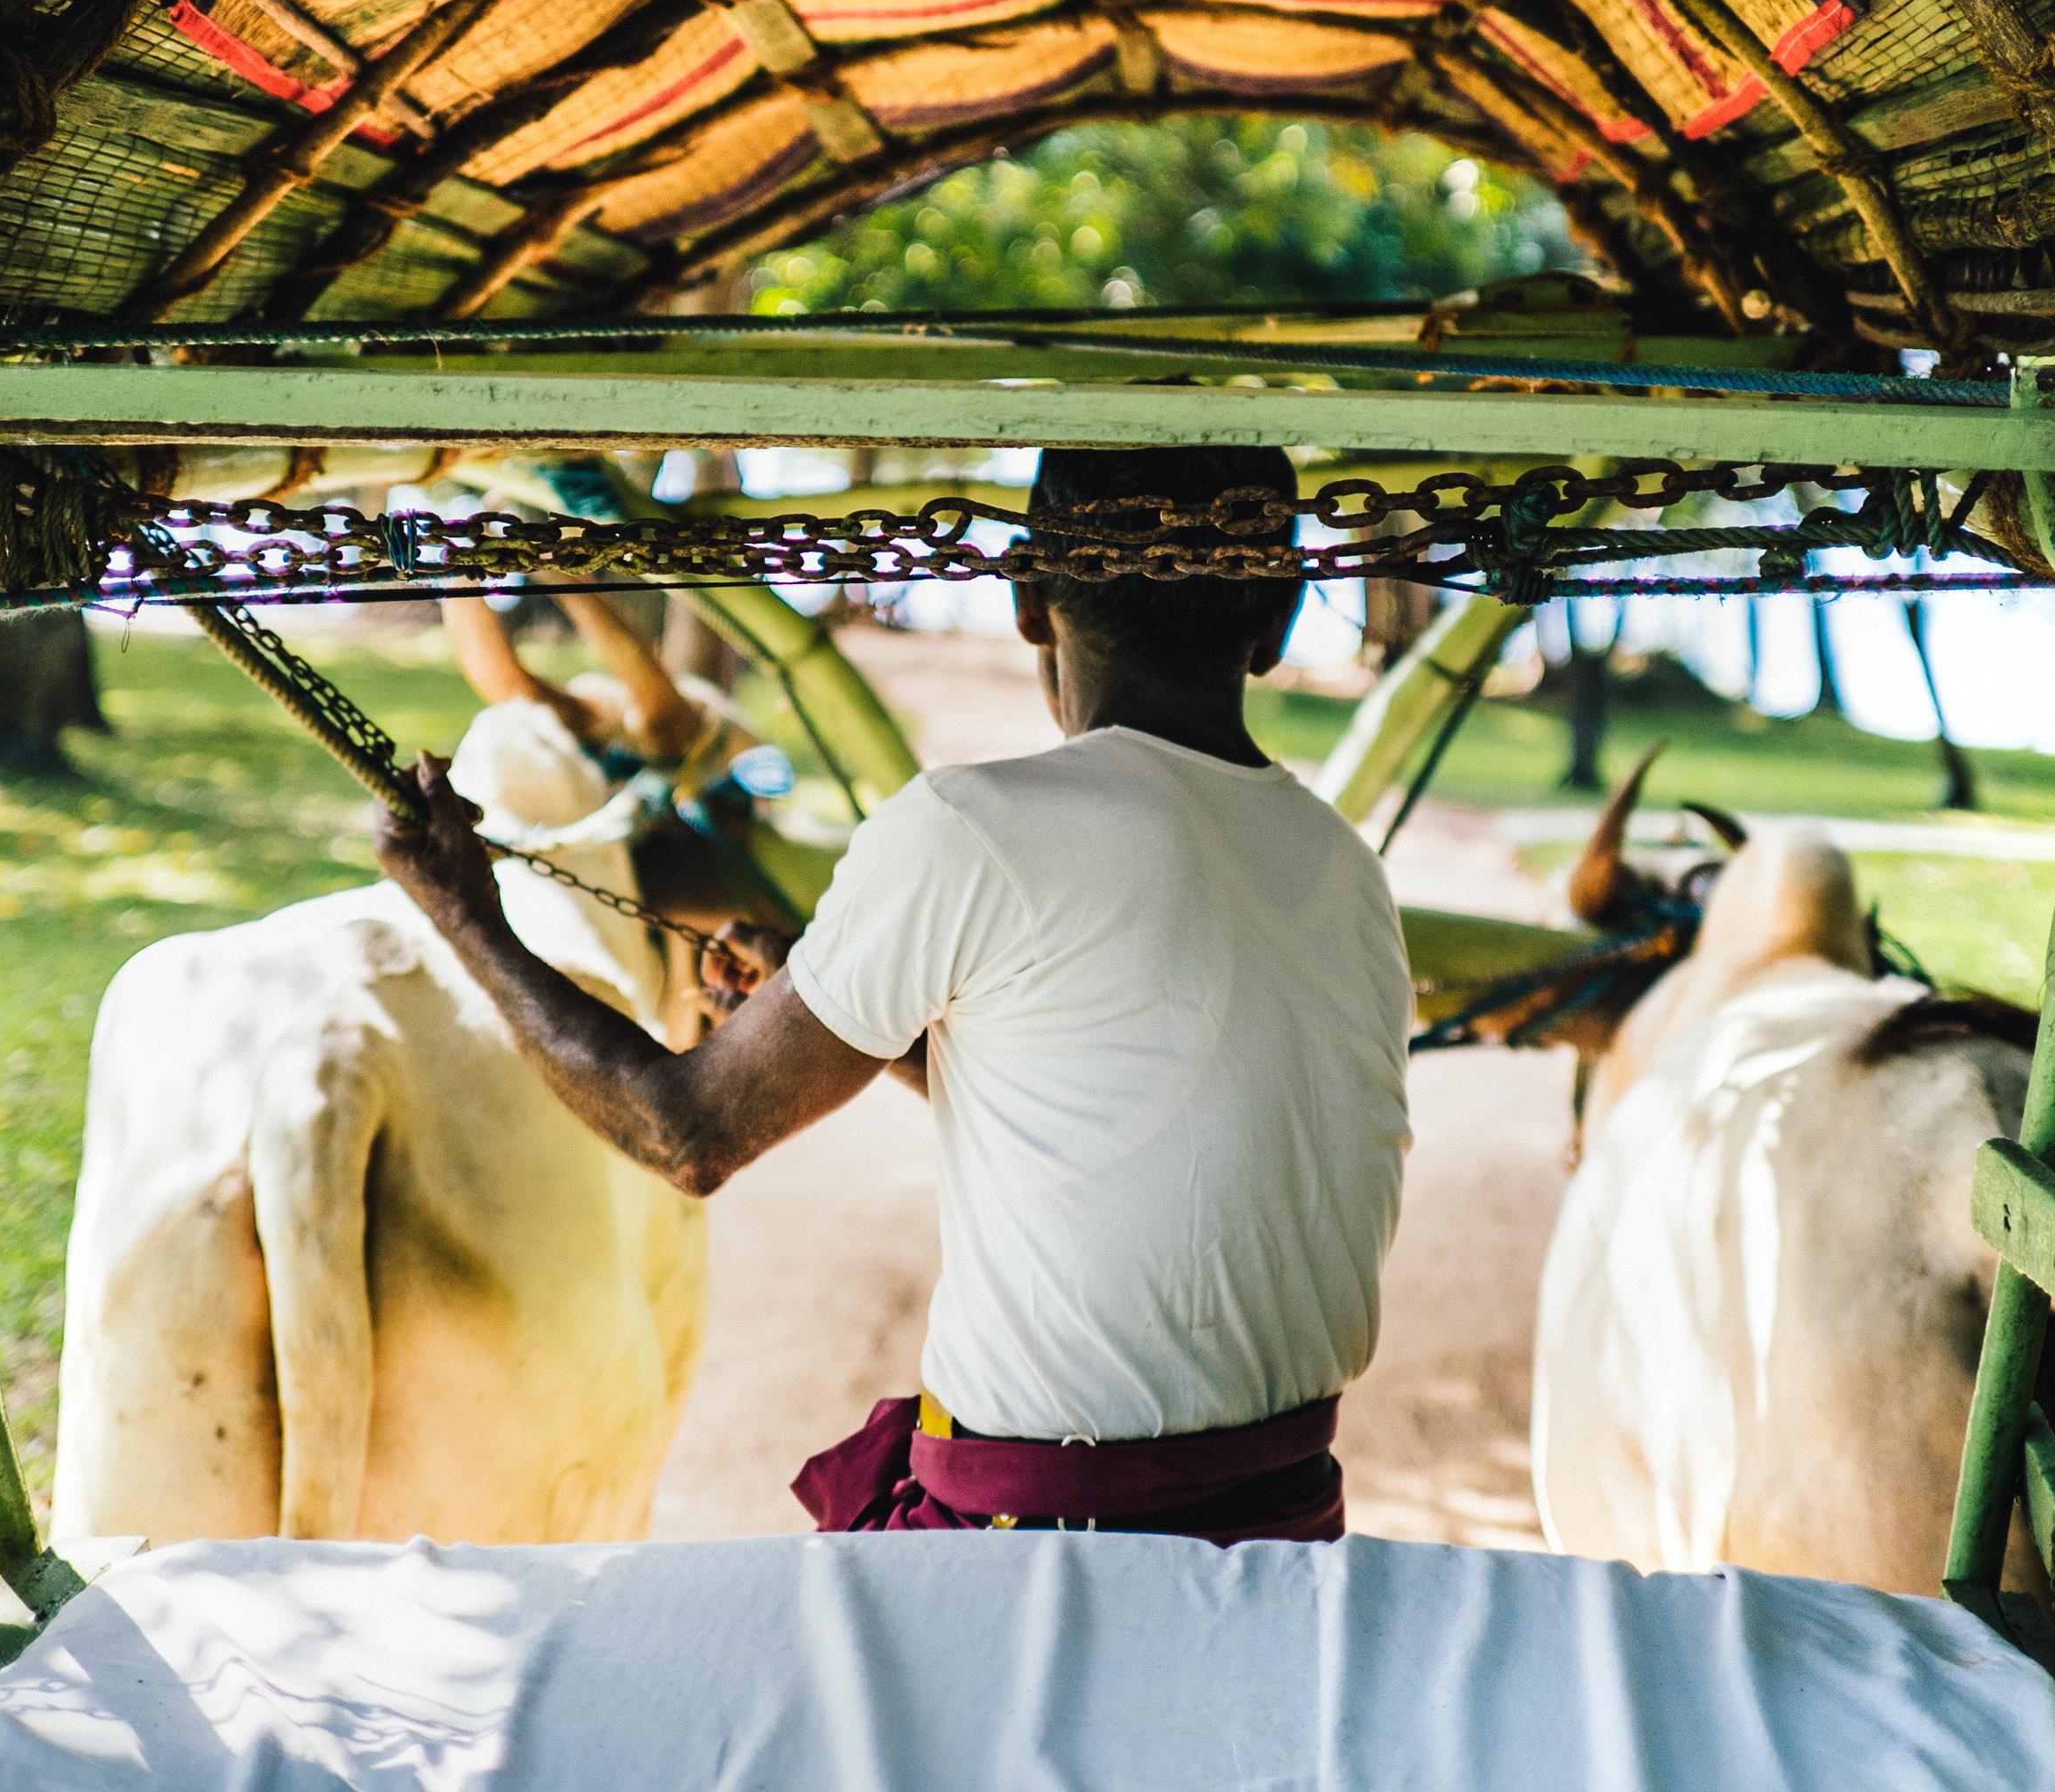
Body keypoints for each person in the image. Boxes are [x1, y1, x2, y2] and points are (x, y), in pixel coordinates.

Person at [375, 443, 1414, 1545]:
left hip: (1051, 1547)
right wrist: (836, 1004)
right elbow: (1114, 1085)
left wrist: (466, 915)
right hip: (1287, 1518)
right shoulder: (1345, 868)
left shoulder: (978, 826)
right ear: (1280, 617)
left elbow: (686, 1132)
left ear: (1026, 599)